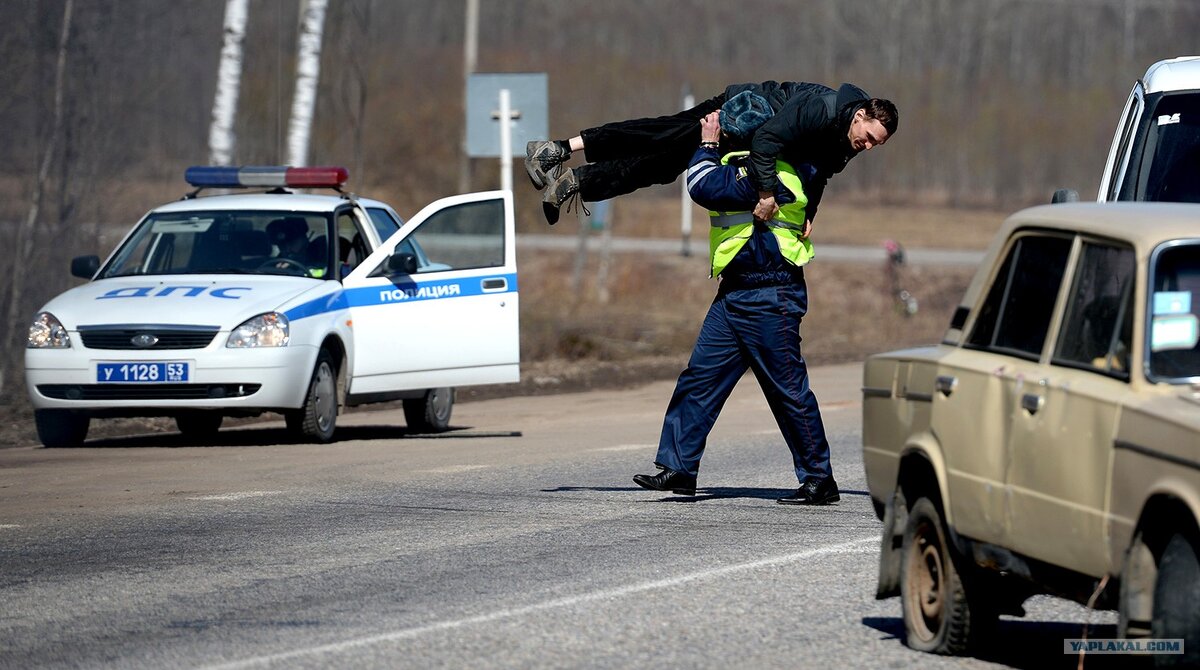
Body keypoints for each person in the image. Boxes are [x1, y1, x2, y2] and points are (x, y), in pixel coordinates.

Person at [633, 109, 880, 505]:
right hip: (735, 292)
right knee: (699, 379)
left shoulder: (770, 172)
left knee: (788, 392)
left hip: (772, 294)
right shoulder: (772, 166)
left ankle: (819, 479)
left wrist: (708, 144)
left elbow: (702, 187)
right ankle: (679, 468)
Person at [525, 81, 897, 225]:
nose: (867, 146)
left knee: (657, 167)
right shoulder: (823, 109)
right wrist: (767, 194)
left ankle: (575, 182)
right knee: (662, 135)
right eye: (868, 137)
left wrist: (809, 214)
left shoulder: (847, 138)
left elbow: (819, 174)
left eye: (874, 145)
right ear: (860, 115)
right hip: (736, 112)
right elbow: (768, 140)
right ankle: (557, 148)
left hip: (743, 137)